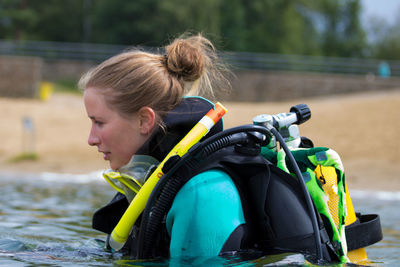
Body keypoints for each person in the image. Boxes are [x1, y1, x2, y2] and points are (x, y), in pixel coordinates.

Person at [79, 33, 248, 259]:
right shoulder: (155, 184)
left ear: (144, 121)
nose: (91, 139)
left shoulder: (201, 197)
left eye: (99, 122)